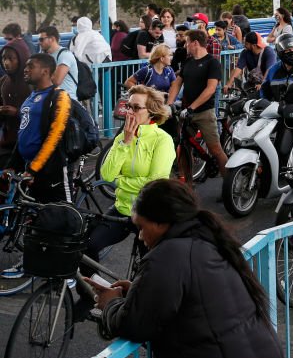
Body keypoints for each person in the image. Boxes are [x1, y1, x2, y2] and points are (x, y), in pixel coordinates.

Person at [90, 179, 291, 358]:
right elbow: (194, 303)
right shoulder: (207, 240)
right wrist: (138, 292)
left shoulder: (167, 255)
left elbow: (135, 324)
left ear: (161, 222)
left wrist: (111, 303)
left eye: (142, 227)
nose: (140, 236)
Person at [83, 85, 175, 274]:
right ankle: (93, 295)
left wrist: (120, 182)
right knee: (87, 247)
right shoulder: (123, 137)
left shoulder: (162, 140)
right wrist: (125, 142)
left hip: (148, 213)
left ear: (151, 112)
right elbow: (107, 175)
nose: (129, 112)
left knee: (149, 267)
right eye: (128, 106)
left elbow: (154, 183)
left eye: (136, 107)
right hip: (123, 208)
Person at [167, 29, 229, 175]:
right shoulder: (188, 62)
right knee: (183, 147)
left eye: (187, 42)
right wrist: (169, 105)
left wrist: (192, 108)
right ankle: (186, 186)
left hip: (204, 112)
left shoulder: (212, 63)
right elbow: (177, 83)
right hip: (186, 112)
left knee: (215, 149)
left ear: (195, 43)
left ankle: (229, 184)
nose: (185, 46)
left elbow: (211, 89)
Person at [14, 54, 73, 202]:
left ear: (45, 71)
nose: (25, 70)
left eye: (31, 66)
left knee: (61, 214)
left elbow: (55, 137)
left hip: (52, 170)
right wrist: (13, 165)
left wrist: (34, 169)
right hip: (31, 169)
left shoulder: (59, 97)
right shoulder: (31, 97)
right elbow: (23, 132)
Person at [0, 44, 30, 168]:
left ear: (21, 59)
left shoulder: (32, 82)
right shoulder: (3, 82)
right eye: (3, 58)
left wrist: (17, 112)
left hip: (29, 140)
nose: (6, 63)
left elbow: (41, 112)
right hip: (9, 139)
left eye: (11, 59)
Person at [37, 25, 78, 97]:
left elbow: (57, 81)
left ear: (52, 39)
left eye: (41, 39)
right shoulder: (45, 56)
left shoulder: (65, 55)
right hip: (51, 99)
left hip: (67, 100)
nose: (39, 42)